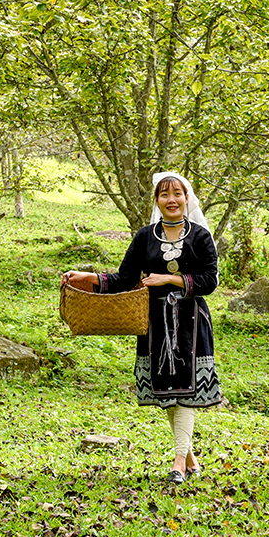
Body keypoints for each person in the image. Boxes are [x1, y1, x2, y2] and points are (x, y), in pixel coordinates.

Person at [63, 172, 221, 484]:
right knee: (166, 391)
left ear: (187, 198)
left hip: (190, 320)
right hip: (154, 323)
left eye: (178, 194)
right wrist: (87, 277)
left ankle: (178, 461)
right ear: (157, 201)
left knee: (186, 392)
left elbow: (210, 281)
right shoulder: (145, 236)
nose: (172, 200)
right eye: (165, 195)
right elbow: (123, 278)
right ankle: (188, 455)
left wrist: (170, 278)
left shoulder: (201, 237)